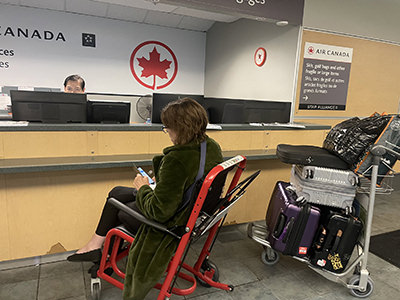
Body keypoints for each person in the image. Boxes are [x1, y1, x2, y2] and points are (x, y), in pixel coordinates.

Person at [67, 97, 223, 300]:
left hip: (173, 223)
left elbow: (159, 212)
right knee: (116, 192)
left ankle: (100, 253)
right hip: (194, 212)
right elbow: (189, 179)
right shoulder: (210, 146)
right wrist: (161, 182)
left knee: (118, 207)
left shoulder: (176, 160)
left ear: (180, 128)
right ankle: (95, 246)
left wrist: (142, 188)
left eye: (167, 128)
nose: (166, 132)